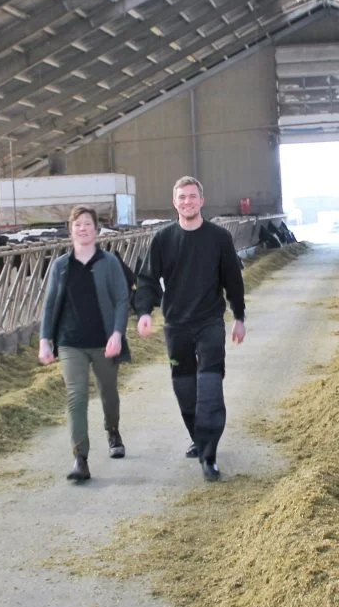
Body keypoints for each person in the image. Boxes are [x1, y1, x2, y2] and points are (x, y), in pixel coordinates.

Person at [133, 176, 246, 482]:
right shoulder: (163, 239)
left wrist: (239, 316)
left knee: (209, 387)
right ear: (175, 202)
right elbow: (147, 279)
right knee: (184, 387)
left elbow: (232, 279)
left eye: (192, 196)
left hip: (209, 322)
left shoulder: (219, 238)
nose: (187, 202)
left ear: (202, 200)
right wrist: (144, 311)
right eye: (182, 197)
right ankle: (198, 436)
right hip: (176, 325)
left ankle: (209, 455)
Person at [39, 205, 132, 483]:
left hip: (104, 340)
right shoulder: (60, 266)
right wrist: (45, 339)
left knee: (108, 392)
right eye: (78, 224)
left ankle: (112, 430)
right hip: (70, 342)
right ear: (71, 230)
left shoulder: (109, 262)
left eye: (88, 224)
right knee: (76, 397)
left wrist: (117, 333)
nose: (83, 228)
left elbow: (121, 300)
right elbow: (50, 304)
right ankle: (80, 457)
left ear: (96, 229)